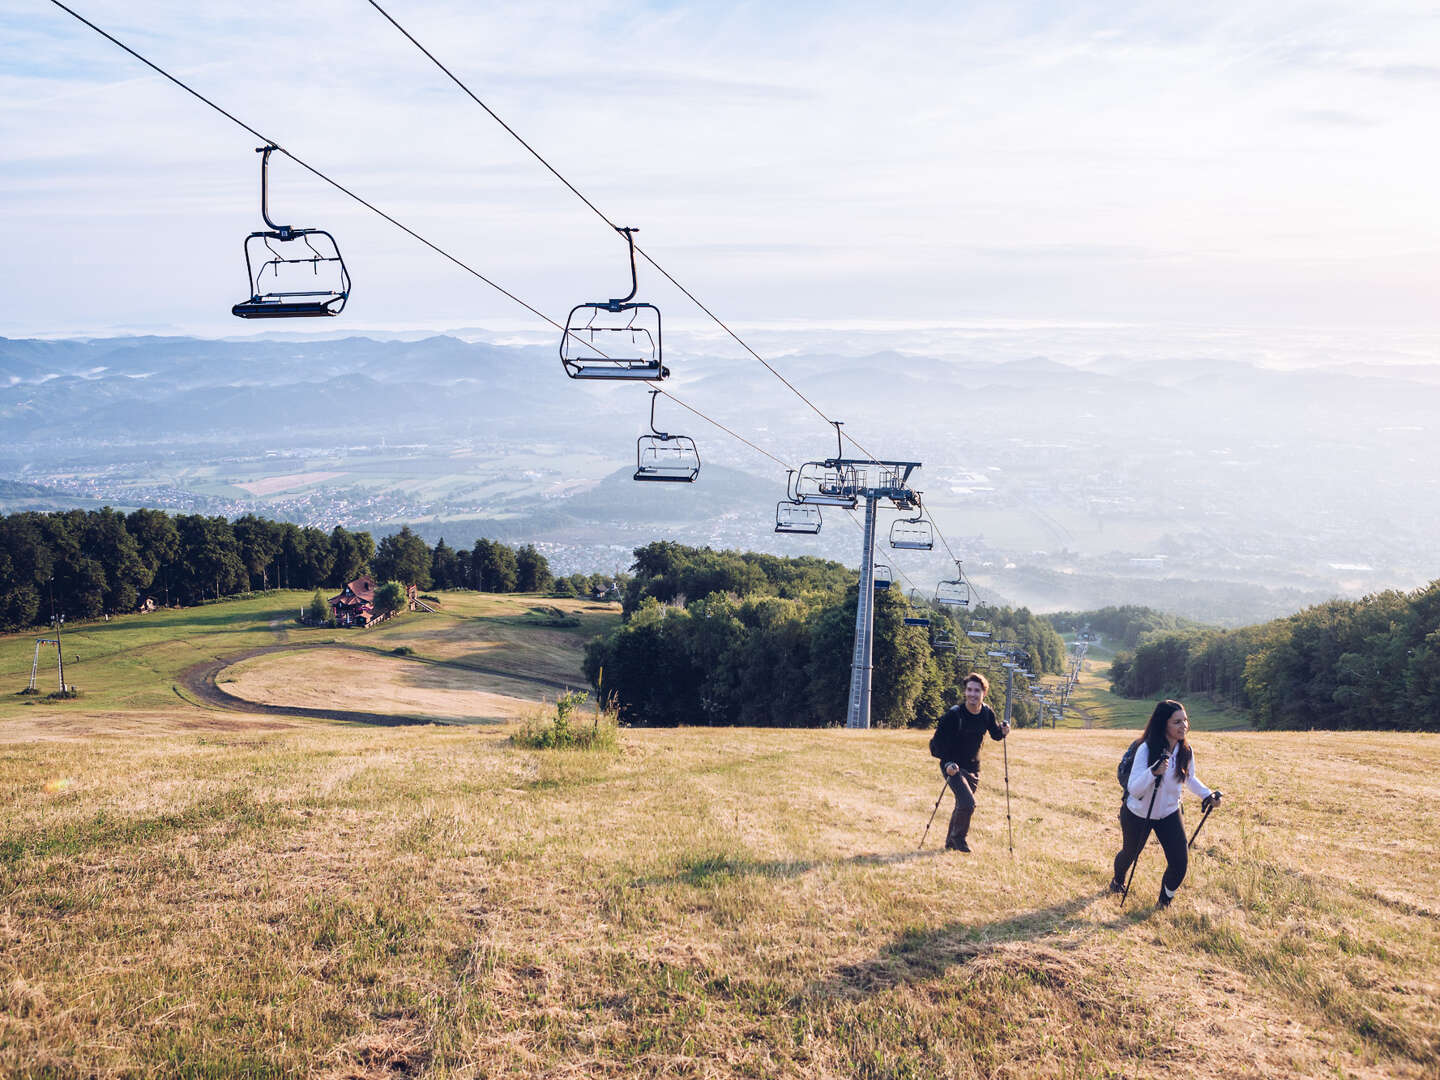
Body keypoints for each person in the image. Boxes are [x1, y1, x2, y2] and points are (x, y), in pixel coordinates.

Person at [1111, 700, 1222, 907]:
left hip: (1169, 812)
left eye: (1185, 720)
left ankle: (1164, 902)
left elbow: (1188, 778)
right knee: (1130, 853)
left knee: (1180, 863)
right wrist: (1153, 772)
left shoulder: (1186, 750)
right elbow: (1134, 788)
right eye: (1177, 722)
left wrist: (1208, 795)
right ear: (1164, 724)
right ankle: (1117, 881)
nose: (1184, 726)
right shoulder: (1145, 748)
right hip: (1137, 813)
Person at [928, 672, 1010, 852]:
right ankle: (959, 840)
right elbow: (935, 746)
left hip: (973, 768)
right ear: (965, 692)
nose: (973, 694)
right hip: (953, 767)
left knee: (961, 805)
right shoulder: (954, 715)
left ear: (984, 693)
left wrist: (1003, 730)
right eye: (970, 690)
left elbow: (995, 734)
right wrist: (948, 764)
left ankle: (950, 843)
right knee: (967, 803)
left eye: (977, 691)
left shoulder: (986, 712)